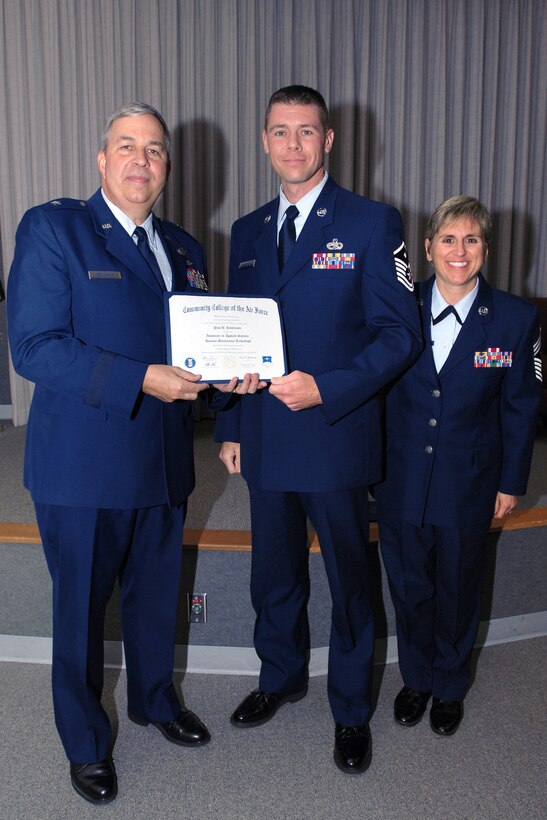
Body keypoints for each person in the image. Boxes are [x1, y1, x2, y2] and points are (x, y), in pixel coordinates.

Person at [7, 102, 257, 804]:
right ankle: (85, 744)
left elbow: (195, 352)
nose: (140, 160)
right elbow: (34, 348)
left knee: (154, 601)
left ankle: (153, 700)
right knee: (81, 614)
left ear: (166, 167)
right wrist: (141, 377)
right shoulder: (55, 228)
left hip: (164, 460)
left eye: (154, 150)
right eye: (126, 146)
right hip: (81, 468)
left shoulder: (184, 247)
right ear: (101, 159)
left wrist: (227, 381)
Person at [215, 85, 422, 774]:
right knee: (272, 574)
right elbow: (236, 335)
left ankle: (349, 709)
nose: (294, 145)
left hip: (336, 436)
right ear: (265, 141)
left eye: (307, 132)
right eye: (280, 132)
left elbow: (398, 336)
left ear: (328, 140)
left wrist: (326, 388)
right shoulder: (246, 231)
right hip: (268, 440)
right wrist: (233, 420)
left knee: (349, 582)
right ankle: (279, 677)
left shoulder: (371, 222)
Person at [374, 196, 542, 737]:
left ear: (485, 249)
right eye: (448, 239)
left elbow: (521, 407)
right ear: (427, 247)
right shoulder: (397, 306)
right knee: (409, 585)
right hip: (399, 478)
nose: (459, 251)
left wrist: (511, 481)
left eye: (471, 240)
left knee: (458, 587)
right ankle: (417, 679)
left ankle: (449, 685)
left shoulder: (516, 319)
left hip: (470, 482)